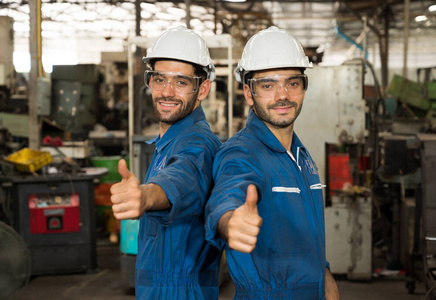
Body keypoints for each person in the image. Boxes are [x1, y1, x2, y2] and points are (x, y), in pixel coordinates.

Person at [205, 26, 340, 300]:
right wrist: (230, 222)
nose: (282, 95)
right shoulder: (241, 153)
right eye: (268, 85)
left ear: (303, 87)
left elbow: (306, 234)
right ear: (248, 92)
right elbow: (227, 197)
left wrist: (324, 277)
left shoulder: (301, 155)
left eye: (292, 83)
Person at [110, 26, 222, 299]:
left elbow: (183, 178)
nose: (167, 91)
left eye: (181, 82)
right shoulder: (167, 142)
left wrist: (146, 196)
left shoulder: (198, 144)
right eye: (159, 79)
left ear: (203, 88)